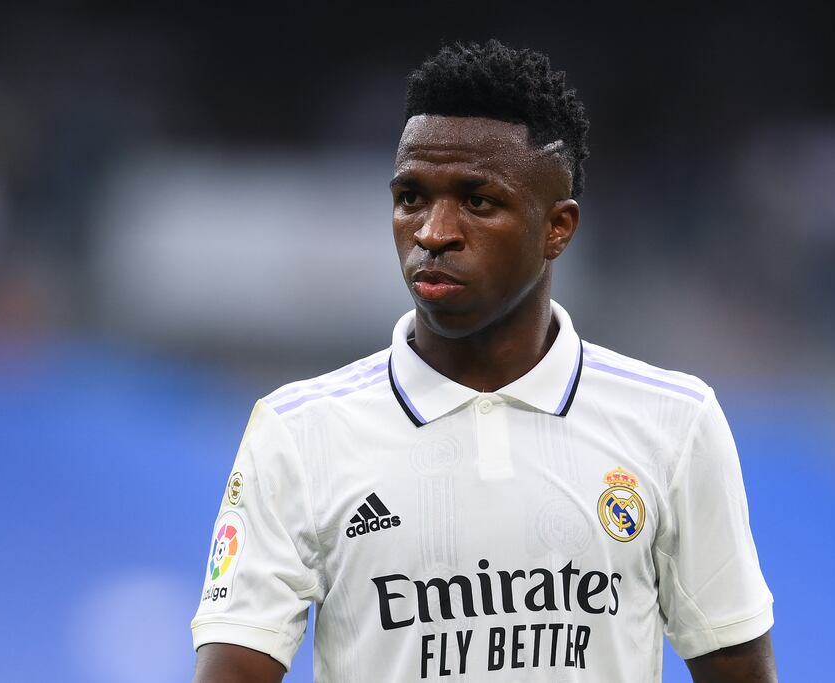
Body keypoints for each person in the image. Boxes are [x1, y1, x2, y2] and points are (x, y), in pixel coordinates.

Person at [191, 40, 777, 683]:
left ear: (558, 227)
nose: (433, 232)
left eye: (477, 201)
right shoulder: (300, 433)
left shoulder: (674, 423)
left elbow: (737, 668)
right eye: (412, 196)